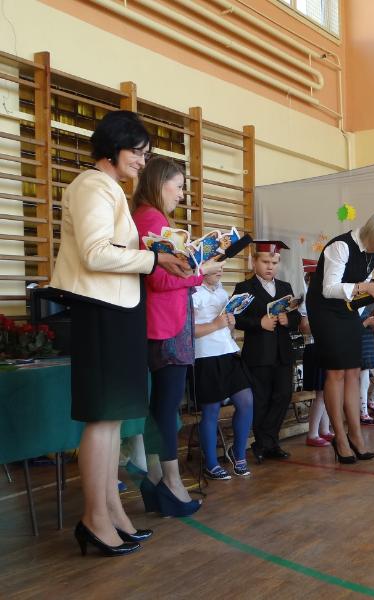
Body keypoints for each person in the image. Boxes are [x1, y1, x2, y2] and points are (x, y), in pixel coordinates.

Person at [51, 110, 190, 556]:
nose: (142, 162)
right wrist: (155, 259)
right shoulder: (92, 185)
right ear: (112, 147)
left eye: (146, 154)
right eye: (137, 152)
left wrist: (160, 256)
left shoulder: (108, 188)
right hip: (101, 310)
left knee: (112, 420)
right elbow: (95, 253)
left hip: (117, 309)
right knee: (102, 419)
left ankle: (112, 513)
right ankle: (95, 518)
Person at [133, 156, 224, 516]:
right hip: (166, 326)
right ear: (161, 183)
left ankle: (157, 480)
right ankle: (170, 482)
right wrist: (201, 272)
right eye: (179, 186)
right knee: (165, 408)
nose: (182, 195)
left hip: (164, 324)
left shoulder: (148, 216)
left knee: (162, 407)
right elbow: (158, 278)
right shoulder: (152, 218)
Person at [306, 211, 374, 463]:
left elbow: (363, 284)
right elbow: (329, 289)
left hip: (347, 310)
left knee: (353, 371)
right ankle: (340, 438)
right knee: (336, 373)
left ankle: (356, 435)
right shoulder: (340, 246)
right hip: (325, 311)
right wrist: (365, 287)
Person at [233, 241, 300, 461]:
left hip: (283, 352)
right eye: (265, 262)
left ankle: (268, 441)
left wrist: (288, 320)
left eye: (274, 262)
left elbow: (296, 316)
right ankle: (265, 444)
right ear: (254, 262)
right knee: (261, 399)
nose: (270, 266)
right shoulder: (244, 287)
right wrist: (258, 323)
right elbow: (236, 318)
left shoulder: (285, 287)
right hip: (258, 354)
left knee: (283, 396)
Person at [192, 266, 254, 479]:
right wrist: (215, 324)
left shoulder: (221, 291)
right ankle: (211, 463)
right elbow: (189, 329)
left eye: (221, 267)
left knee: (246, 401)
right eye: (215, 267)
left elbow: (226, 328)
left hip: (229, 353)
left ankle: (238, 453)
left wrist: (230, 324)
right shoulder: (193, 291)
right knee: (211, 410)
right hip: (206, 356)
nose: (220, 271)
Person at [299, 259, 333, 447]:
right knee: (321, 393)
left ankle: (325, 430)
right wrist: (325, 326)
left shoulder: (322, 296)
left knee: (328, 392)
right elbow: (304, 326)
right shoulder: (307, 295)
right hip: (314, 347)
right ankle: (312, 434)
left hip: (325, 346)